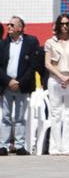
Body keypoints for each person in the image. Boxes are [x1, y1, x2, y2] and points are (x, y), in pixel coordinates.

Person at [42, 15, 69, 156]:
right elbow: (47, 63)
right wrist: (61, 77)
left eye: (67, 24)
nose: (65, 26)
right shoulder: (50, 42)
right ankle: (55, 147)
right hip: (55, 78)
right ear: (58, 25)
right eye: (62, 24)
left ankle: (67, 147)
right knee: (55, 113)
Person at [3, 18, 41, 154]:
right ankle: (4, 145)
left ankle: (19, 145)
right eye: (8, 24)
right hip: (6, 86)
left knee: (20, 116)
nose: (9, 26)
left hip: (22, 85)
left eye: (12, 25)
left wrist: (19, 82)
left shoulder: (30, 42)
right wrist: (8, 81)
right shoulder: (3, 43)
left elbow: (33, 65)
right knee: (6, 116)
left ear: (20, 28)